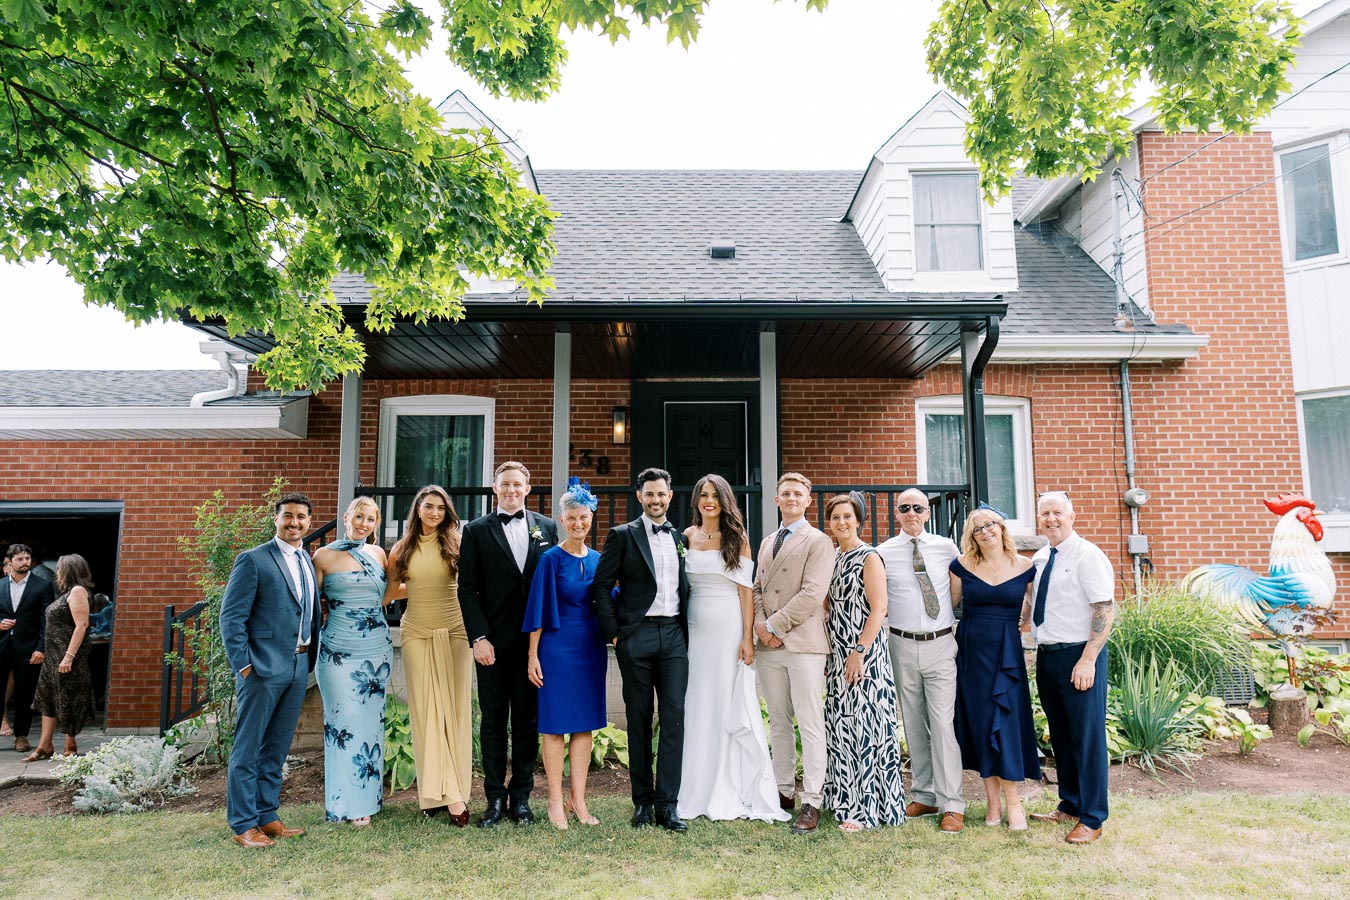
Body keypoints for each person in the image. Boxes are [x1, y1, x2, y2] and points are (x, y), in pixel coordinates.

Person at [678, 474, 789, 824]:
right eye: (703, 495)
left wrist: (746, 637)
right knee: (697, 702)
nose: (708, 501)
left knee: (727, 702)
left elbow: (745, 592)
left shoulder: (737, 539)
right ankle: (695, 785)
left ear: (725, 501)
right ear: (696, 500)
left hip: (727, 629)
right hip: (694, 629)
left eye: (715, 495)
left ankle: (731, 786)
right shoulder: (685, 537)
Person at [219, 492, 322, 849]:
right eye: (288, 516)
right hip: (261, 669)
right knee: (248, 750)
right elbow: (231, 618)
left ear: (309, 522)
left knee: (276, 749)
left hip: (297, 666)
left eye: (302, 517)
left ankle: (267, 815)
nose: (295, 523)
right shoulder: (253, 560)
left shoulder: (307, 560)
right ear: (275, 519)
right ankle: (243, 824)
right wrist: (245, 666)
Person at [458, 461, 558, 827]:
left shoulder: (546, 528)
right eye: (505, 485)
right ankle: (494, 799)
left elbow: (552, 584)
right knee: (494, 722)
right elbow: (467, 588)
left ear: (528, 489)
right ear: (494, 489)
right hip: (493, 645)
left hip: (535, 645)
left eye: (518, 484)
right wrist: (479, 637)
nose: (512, 490)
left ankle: (522, 799)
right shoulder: (476, 530)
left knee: (529, 722)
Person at [592, 467, 691, 832]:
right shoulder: (622, 536)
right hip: (636, 637)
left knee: (674, 720)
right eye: (649, 494)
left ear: (670, 496)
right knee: (637, 720)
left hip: (674, 637)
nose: (656, 500)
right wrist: (615, 634)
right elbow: (601, 587)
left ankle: (668, 805)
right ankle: (642, 803)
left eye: (661, 494)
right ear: (640, 497)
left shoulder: (681, 537)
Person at [874, 489, 966, 833]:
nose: (911, 513)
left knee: (942, 724)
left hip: (941, 644)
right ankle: (924, 795)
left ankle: (952, 803)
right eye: (905, 508)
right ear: (896, 513)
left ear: (927, 513)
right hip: (900, 643)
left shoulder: (946, 548)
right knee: (912, 722)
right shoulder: (883, 552)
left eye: (918, 508)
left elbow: (954, 592)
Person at [1027, 491, 1116, 845]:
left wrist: (1088, 659)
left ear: (1072, 516)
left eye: (1058, 513)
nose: (1051, 518)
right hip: (1049, 656)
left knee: (1087, 737)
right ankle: (1070, 803)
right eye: (1045, 513)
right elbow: (1036, 600)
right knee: (1061, 735)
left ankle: (1092, 817)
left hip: (1080, 656)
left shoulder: (1088, 556)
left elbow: (1104, 611)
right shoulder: (1040, 556)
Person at [948, 504, 1039, 830]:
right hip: (973, 653)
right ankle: (992, 805)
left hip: (1008, 654)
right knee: (982, 724)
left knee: (1008, 726)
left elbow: (1032, 605)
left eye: (990, 525)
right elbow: (949, 605)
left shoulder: (1027, 565)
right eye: (977, 528)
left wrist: (1024, 621)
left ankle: (1014, 805)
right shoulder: (963, 566)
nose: (985, 531)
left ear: (1001, 527)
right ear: (971, 537)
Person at [753, 472, 835, 835]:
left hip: (803, 644)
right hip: (769, 647)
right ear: (776, 500)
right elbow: (756, 587)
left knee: (810, 721)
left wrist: (773, 626)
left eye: (797, 493)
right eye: (785, 493)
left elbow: (813, 593)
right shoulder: (768, 540)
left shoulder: (818, 541)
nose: (790, 498)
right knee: (780, 722)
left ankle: (812, 799)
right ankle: (783, 791)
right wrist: (759, 625)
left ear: (807, 501)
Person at [386, 485, 472, 826]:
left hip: (455, 629)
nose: (434, 512)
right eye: (428, 506)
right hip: (416, 632)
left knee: (453, 710)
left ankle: (452, 792)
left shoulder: (457, 543)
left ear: (447, 511)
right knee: (425, 712)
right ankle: (437, 794)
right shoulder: (401, 548)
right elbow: (392, 592)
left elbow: (471, 585)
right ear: (417, 510)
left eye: (440, 507)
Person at [522, 478, 606, 830]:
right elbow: (538, 609)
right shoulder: (550, 560)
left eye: (583, 517)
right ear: (561, 519)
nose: (577, 523)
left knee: (585, 726)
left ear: (590, 519)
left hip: (590, 645)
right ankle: (555, 800)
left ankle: (579, 800)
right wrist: (533, 655)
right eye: (571, 517)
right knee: (555, 726)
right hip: (556, 646)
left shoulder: (601, 559)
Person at [821, 492, 906, 832]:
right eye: (835, 517)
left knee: (865, 727)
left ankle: (867, 808)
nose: (841, 522)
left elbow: (879, 608)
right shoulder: (832, 556)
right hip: (837, 651)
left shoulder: (868, 556)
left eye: (847, 516)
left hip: (863, 653)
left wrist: (858, 651)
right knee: (841, 727)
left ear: (858, 520)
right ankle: (843, 800)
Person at [313, 496, 393, 826]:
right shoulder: (323, 556)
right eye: (359, 516)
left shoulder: (378, 554)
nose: (364, 524)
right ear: (346, 516)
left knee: (369, 725)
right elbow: (310, 602)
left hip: (375, 650)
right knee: (340, 725)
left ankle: (366, 802)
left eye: (371, 520)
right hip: (337, 650)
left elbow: (386, 595)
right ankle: (342, 804)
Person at [26, 554, 96, 761]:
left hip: (67, 656)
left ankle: (70, 743)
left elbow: (82, 625)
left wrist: (68, 657)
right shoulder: (65, 593)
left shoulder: (77, 591)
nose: (57, 573)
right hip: (53, 656)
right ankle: (44, 746)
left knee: (67, 698)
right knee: (48, 699)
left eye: (59, 569)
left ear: (68, 570)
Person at [1, 544, 55, 754]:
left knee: (24, 693)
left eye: (27, 558)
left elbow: (46, 620)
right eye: (20, 559)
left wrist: (41, 648)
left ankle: (21, 736)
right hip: (2, 645)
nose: (25, 562)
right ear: (9, 562)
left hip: (28, 648)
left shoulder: (42, 586)